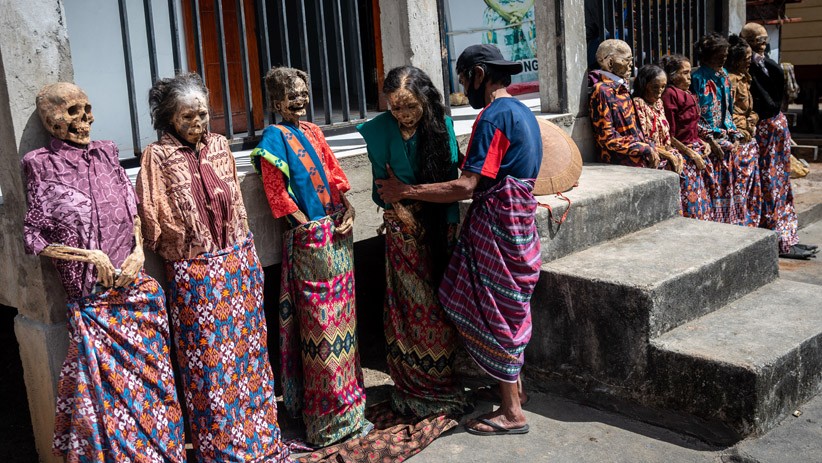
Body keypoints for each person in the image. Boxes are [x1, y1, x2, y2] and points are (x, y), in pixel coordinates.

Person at [377, 44, 542, 436]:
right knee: (508, 306)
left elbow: (467, 185)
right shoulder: (522, 111)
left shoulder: (492, 117)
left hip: (498, 224)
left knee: (495, 310)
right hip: (519, 222)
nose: (463, 87)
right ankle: (513, 389)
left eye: (465, 78)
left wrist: (406, 191)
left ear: (479, 75)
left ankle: (513, 413)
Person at [23, 83, 185, 462]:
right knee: (111, 406)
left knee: (155, 391)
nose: (85, 121)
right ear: (50, 120)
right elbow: (34, 237)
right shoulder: (39, 164)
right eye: (71, 113)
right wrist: (88, 257)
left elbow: (134, 213)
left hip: (137, 298)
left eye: (87, 110)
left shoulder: (107, 151)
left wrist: (139, 253)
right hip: (94, 304)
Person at [135, 73, 289, 462]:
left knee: (250, 358)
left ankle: (260, 438)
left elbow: (235, 204)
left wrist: (244, 254)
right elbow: (152, 218)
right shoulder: (157, 156)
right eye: (187, 117)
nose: (197, 123)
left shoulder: (220, 145)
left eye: (202, 114)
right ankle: (222, 449)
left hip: (238, 265)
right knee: (209, 367)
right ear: (169, 118)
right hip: (195, 274)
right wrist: (189, 247)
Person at [250, 66, 370, 447]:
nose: (299, 100)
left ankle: (351, 410)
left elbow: (334, 175)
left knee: (345, 327)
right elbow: (278, 195)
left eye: (303, 92)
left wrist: (348, 208)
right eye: (292, 95)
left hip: (337, 237)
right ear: (276, 102)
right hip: (310, 243)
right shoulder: (274, 136)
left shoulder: (314, 131)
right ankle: (326, 419)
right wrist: (308, 229)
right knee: (321, 329)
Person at [356, 65, 470, 418]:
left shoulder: (442, 125)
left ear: (425, 100)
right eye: (395, 108)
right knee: (411, 310)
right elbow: (381, 189)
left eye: (410, 107)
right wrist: (399, 207)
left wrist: (408, 197)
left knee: (441, 306)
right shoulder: (376, 133)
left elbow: (449, 182)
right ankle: (415, 384)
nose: (403, 115)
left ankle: (442, 379)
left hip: (442, 227)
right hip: (402, 234)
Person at [741, 22, 817, 258]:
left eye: (764, 40)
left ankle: (788, 237)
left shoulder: (767, 65)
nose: (762, 45)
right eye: (756, 41)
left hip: (776, 132)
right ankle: (779, 240)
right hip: (764, 134)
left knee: (781, 184)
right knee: (769, 186)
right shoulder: (745, 70)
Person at [588, 39, 680, 170]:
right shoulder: (602, 91)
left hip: (637, 155)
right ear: (610, 62)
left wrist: (650, 147)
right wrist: (644, 148)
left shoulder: (621, 89)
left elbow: (636, 132)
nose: (631, 64)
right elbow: (607, 138)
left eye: (631, 59)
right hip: (620, 160)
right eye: (626, 60)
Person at [691, 33, 741, 224]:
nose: (724, 58)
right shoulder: (697, 79)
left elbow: (729, 109)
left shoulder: (724, 76)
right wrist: (710, 139)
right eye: (720, 54)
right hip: (709, 140)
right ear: (707, 55)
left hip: (726, 137)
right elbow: (694, 115)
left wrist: (734, 132)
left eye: (726, 54)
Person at [659, 55, 714, 221]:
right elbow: (670, 134)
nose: (689, 77)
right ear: (673, 75)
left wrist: (703, 142)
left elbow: (692, 126)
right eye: (685, 73)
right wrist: (692, 154)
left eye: (690, 72)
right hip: (683, 154)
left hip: (694, 150)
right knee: (691, 204)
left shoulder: (687, 93)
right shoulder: (670, 94)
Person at [726, 34, 763, 227]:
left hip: (749, 138)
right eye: (746, 58)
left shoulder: (745, 78)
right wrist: (746, 125)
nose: (750, 61)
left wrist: (753, 119)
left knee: (749, 192)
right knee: (739, 191)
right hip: (739, 141)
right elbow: (729, 113)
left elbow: (749, 109)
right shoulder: (730, 81)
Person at [631, 65, 685, 177]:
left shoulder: (659, 103)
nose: (659, 92)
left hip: (666, 153)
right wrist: (668, 155)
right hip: (651, 157)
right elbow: (643, 139)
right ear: (644, 85)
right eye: (655, 87)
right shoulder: (638, 103)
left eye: (663, 87)